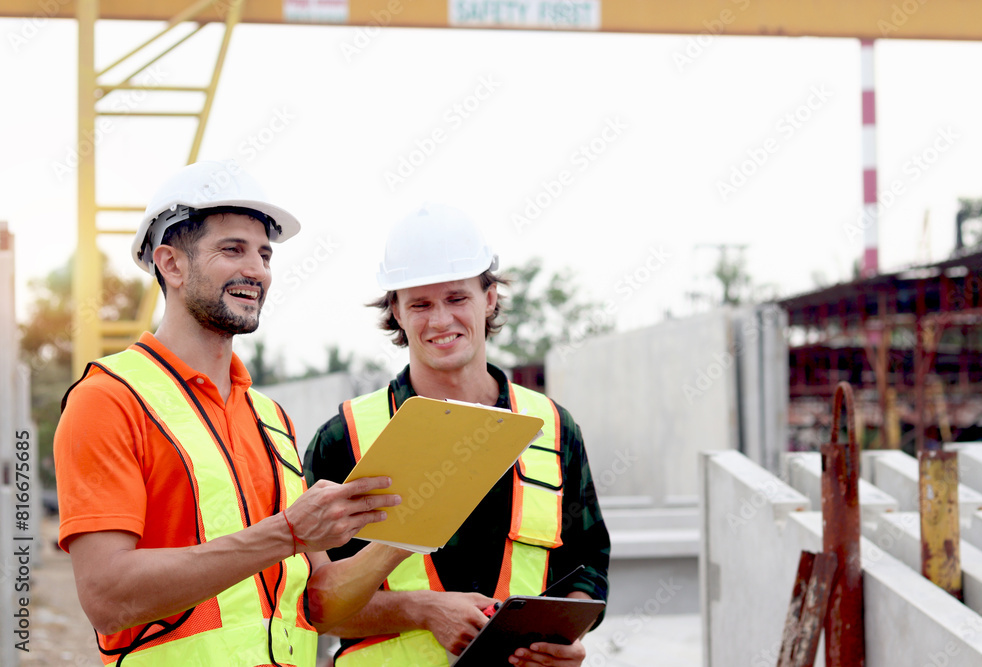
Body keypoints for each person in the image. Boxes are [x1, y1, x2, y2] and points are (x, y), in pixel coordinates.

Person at [54, 160, 409, 666]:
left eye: (264, 254)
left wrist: (411, 531)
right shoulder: (108, 399)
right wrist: (285, 532)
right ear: (172, 265)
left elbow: (320, 605)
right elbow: (108, 599)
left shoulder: (269, 418)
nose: (257, 270)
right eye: (232, 250)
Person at [304, 203, 611, 667]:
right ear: (397, 311)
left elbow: (588, 565)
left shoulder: (553, 428)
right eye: (421, 304)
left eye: (456, 298)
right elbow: (310, 604)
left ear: (489, 298)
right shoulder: (343, 439)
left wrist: (565, 640)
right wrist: (421, 610)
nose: (441, 321)